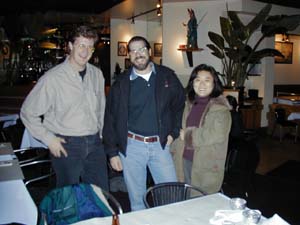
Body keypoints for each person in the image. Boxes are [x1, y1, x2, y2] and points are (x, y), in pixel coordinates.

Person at [20, 25, 108, 190]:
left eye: (90, 47)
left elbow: (101, 108)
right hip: (67, 145)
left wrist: (101, 134)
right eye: (81, 45)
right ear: (70, 46)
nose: (85, 51)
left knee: (101, 194)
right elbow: (28, 112)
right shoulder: (53, 78)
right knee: (68, 197)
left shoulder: (97, 75)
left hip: (95, 143)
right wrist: (49, 139)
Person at [103, 36, 185, 211]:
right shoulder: (121, 84)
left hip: (160, 145)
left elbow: (179, 105)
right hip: (132, 147)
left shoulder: (167, 76)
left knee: (171, 196)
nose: (137, 54)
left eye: (141, 49)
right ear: (129, 56)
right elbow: (110, 118)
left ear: (149, 52)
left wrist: (174, 132)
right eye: (133, 51)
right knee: (137, 201)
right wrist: (112, 152)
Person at [171, 64, 232, 194]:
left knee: (200, 202)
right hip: (184, 159)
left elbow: (215, 134)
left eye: (207, 80)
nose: (202, 84)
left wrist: (187, 135)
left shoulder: (221, 109)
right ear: (192, 83)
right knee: (184, 199)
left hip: (205, 164)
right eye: (197, 80)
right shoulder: (188, 104)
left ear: (214, 83)